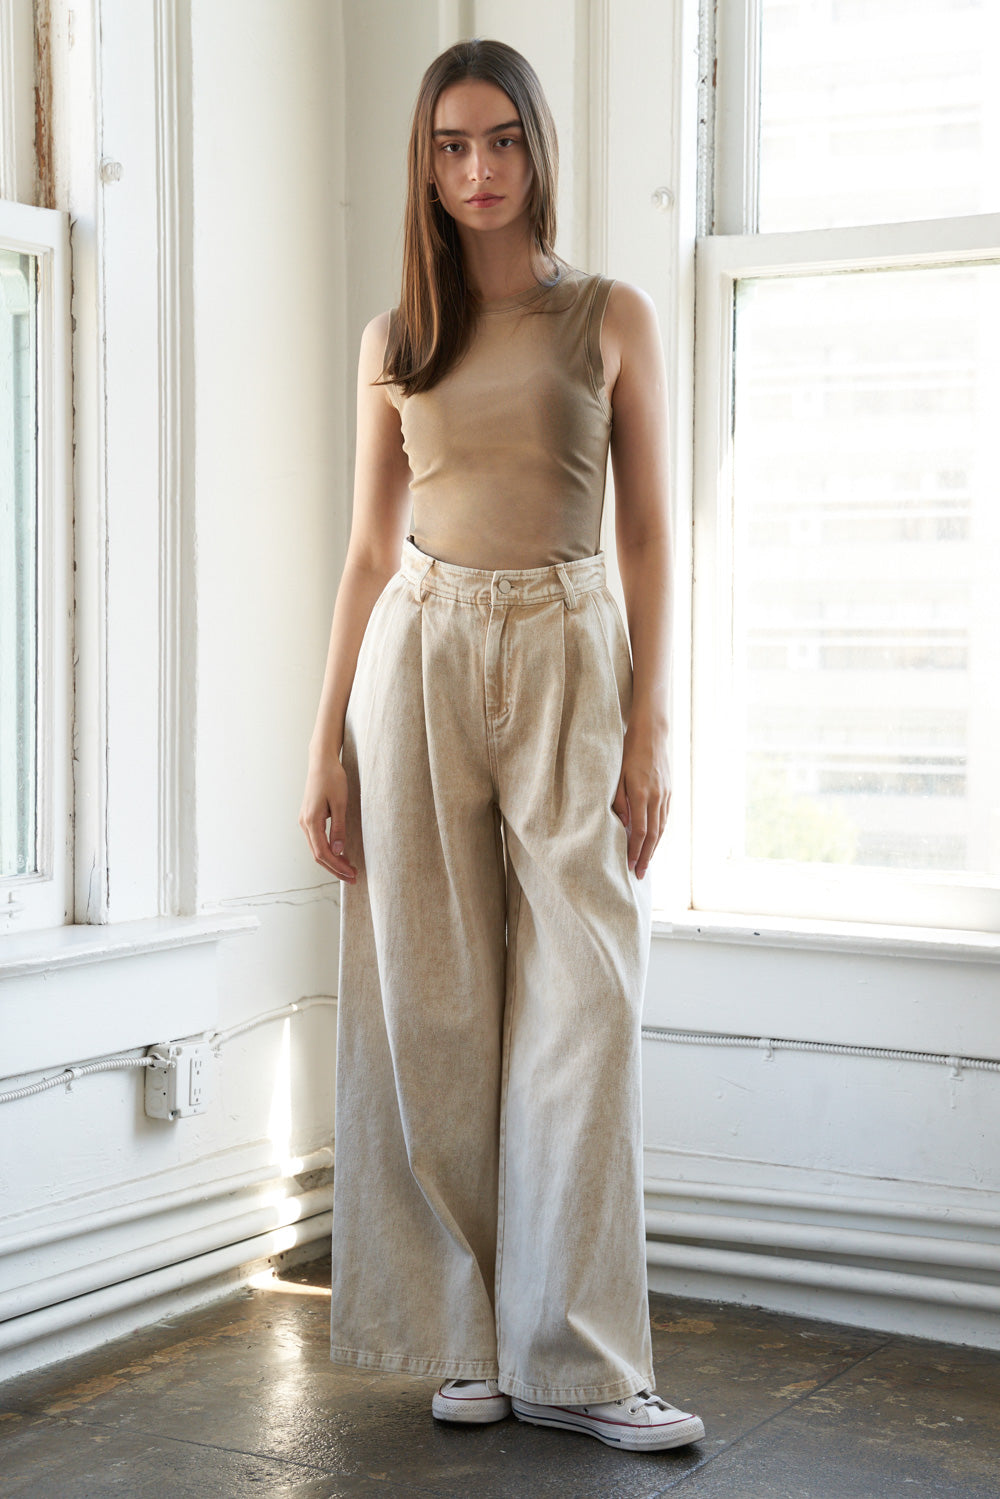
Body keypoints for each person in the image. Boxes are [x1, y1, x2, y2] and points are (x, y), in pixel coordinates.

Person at [299, 38, 705, 1454]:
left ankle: (580, 1364)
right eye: (453, 146)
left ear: (539, 146)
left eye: (503, 141)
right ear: (426, 163)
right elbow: (366, 551)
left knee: (586, 998)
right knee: (433, 1003)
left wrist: (651, 725)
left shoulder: (609, 316)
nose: (479, 171)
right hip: (417, 650)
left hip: (566, 646)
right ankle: (464, 1339)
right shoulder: (395, 341)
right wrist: (324, 742)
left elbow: (648, 536)